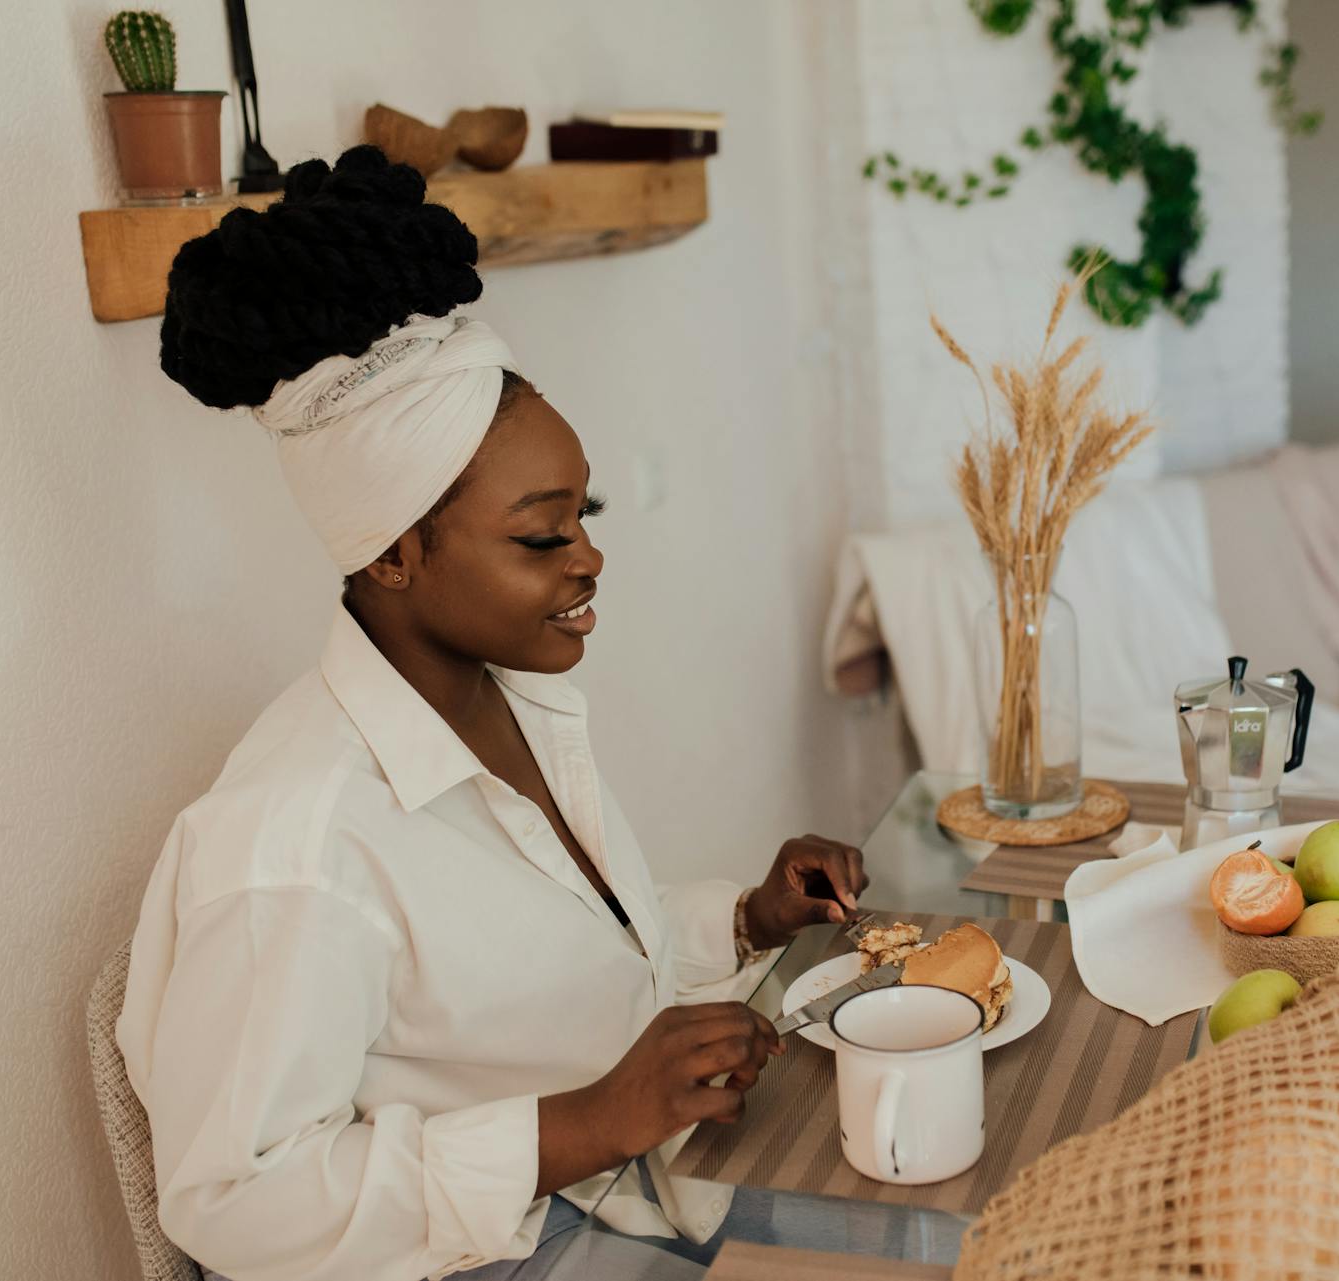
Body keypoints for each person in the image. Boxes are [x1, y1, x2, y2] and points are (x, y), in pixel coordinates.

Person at [117, 146, 871, 1281]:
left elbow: (539, 982)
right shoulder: (297, 843)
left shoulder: (510, 701)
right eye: (540, 536)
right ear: (399, 554)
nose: (590, 556)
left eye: (584, 515)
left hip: (612, 1196)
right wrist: (587, 1123)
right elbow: (231, 1203)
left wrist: (747, 922)